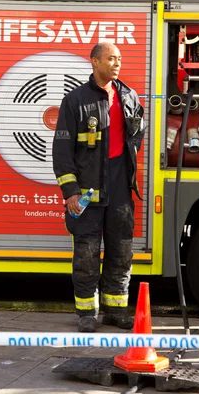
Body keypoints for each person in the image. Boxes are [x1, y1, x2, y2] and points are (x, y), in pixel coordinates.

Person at [52, 42, 145, 333]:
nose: (117, 64)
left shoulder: (129, 96)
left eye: (119, 59)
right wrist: (71, 191)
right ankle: (86, 313)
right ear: (94, 61)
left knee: (121, 250)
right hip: (88, 188)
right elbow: (62, 150)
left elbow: (136, 134)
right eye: (110, 59)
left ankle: (115, 311)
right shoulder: (75, 100)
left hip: (119, 186)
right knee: (87, 252)